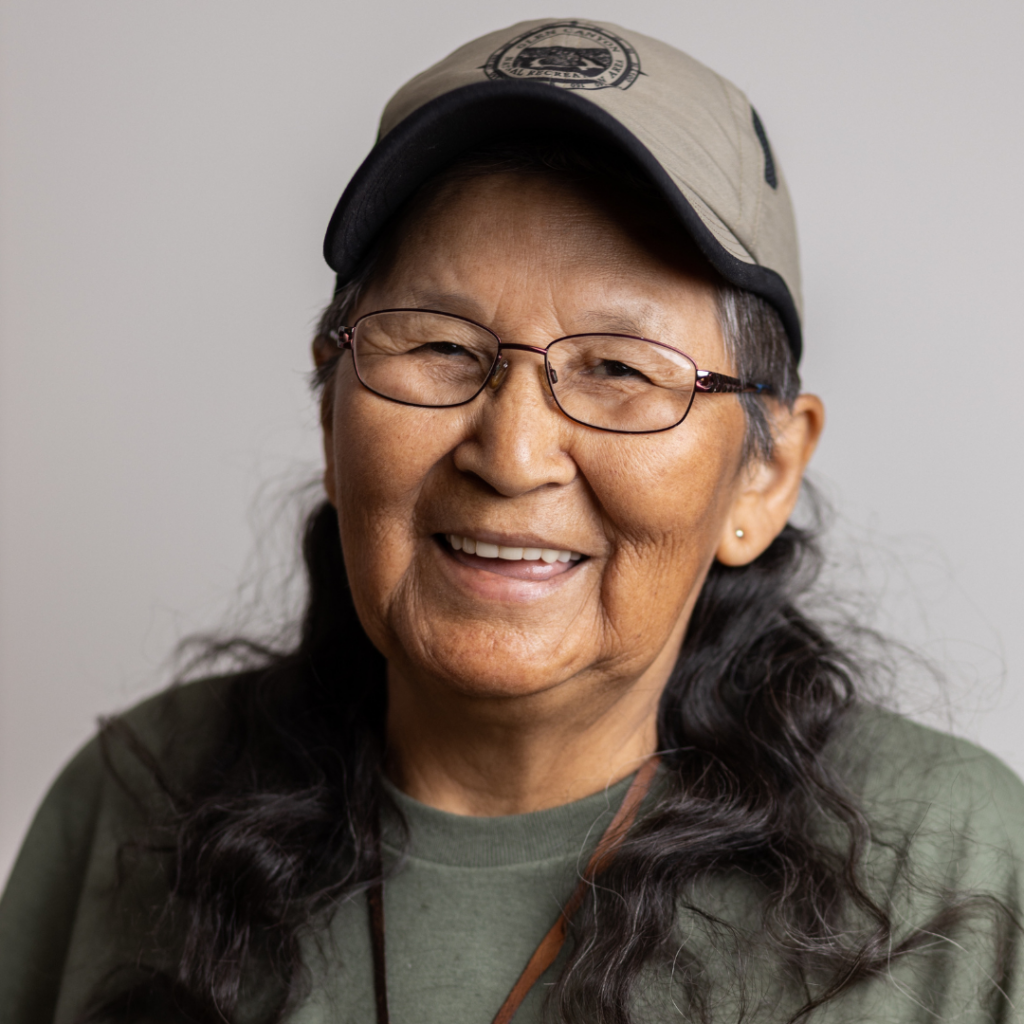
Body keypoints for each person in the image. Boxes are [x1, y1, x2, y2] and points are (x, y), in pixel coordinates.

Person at [1, 17, 1022, 1024]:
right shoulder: (132, 808)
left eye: (619, 367)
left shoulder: (952, 869)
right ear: (330, 402)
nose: (513, 452)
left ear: (765, 475)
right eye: (441, 346)